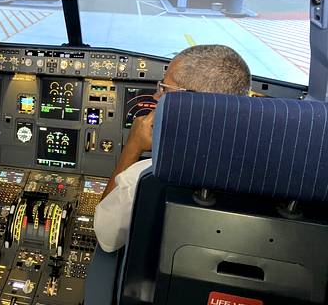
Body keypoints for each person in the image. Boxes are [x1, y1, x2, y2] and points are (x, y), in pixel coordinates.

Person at [94, 45, 251, 253]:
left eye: (164, 89)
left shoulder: (144, 178)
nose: (156, 97)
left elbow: (106, 238)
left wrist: (132, 147)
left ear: (190, 101)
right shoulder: (274, 170)